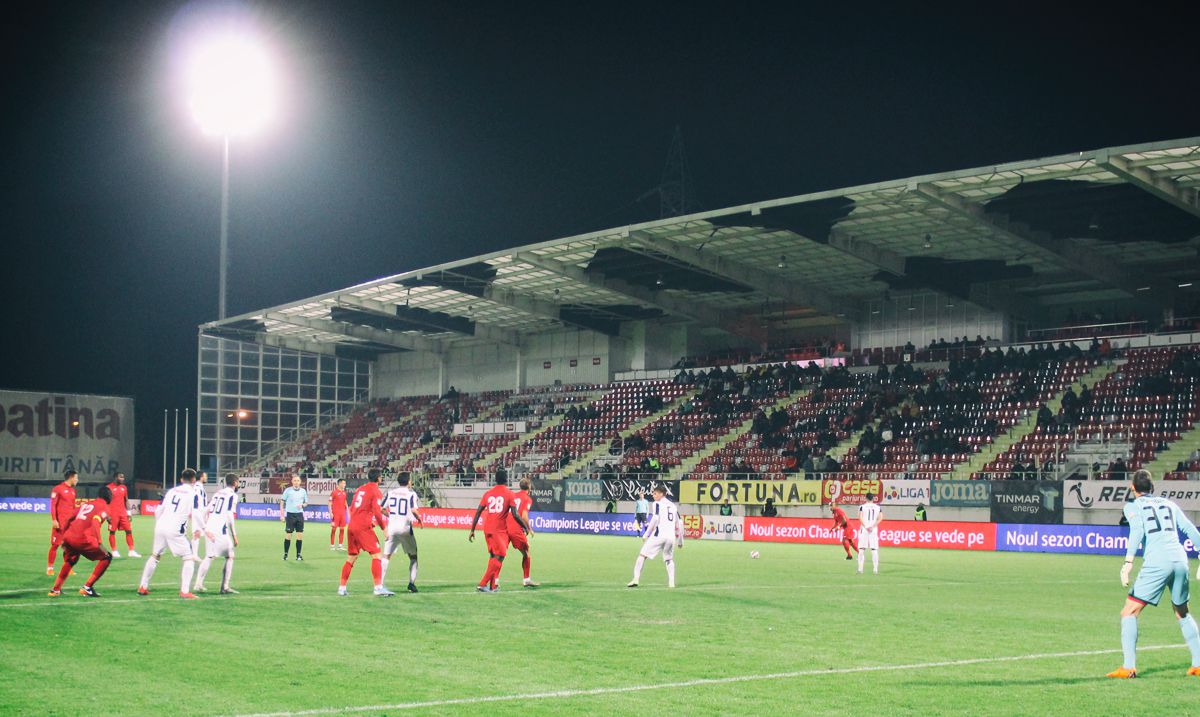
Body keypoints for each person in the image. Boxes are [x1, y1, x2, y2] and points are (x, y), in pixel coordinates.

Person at [1107, 470, 1200, 679]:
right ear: (1153, 488)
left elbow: (1138, 530)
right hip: (1180, 560)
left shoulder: (1132, 506)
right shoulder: (1170, 504)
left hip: (1158, 562)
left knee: (1129, 612)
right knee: (1182, 612)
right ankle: (1198, 664)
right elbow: (1190, 530)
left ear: (1132, 488)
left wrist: (1128, 561)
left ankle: (1128, 668)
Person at [138, 468, 212, 599]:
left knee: (155, 556)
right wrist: (205, 529)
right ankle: (185, 591)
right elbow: (196, 513)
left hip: (161, 525)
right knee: (189, 557)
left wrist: (159, 524)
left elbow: (158, 510)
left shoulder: (171, 491)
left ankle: (143, 586)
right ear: (194, 480)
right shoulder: (194, 493)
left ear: (181, 479)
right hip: (175, 529)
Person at [468, 472, 530, 593]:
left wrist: (472, 530)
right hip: (499, 530)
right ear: (506, 479)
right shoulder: (509, 493)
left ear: (495, 480)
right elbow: (515, 514)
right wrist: (524, 526)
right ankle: (482, 584)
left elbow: (478, 511)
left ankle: (493, 586)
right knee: (500, 556)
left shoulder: (488, 493)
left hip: (487, 529)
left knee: (493, 556)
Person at [48, 485, 114, 597]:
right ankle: (87, 587)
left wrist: (64, 537)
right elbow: (95, 522)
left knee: (71, 560)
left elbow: (69, 518)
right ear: (108, 496)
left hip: (70, 536)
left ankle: (55, 589)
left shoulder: (87, 504)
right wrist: (99, 542)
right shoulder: (104, 507)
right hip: (83, 539)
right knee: (107, 557)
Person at [338, 468, 392, 596]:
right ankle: (378, 588)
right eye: (381, 477)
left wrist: (365, 521)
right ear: (378, 478)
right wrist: (384, 529)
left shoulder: (360, 489)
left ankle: (342, 588)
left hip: (352, 526)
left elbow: (355, 507)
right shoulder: (375, 491)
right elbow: (378, 513)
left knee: (351, 558)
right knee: (377, 555)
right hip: (362, 527)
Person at [627, 485, 683, 588]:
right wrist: (680, 541)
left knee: (642, 555)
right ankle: (671, 583)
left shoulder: (657, 503)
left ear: (662, 494)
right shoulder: (673, 506)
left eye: (655, 493)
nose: (653, 495)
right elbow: (680, 523)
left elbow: (655, 518)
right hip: (671, 538)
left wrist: (646, 534)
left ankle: (635, 579)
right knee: (669, 559)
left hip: (659, 535)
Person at [193, 474, 240, 595]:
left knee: (209, 556)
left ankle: (198, 584)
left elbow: (207, 509)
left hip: (210, 528)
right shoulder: (233, 496)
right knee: (230, 556)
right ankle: (225, 586)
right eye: (238, 482)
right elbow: (229, 515)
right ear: (235, 483)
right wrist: (234, 534)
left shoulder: (218, 493)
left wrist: (201, 527)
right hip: (220, 530)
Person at [381, 473, 423, 594]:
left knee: (386, 556)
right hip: (405, 529)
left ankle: (380, 584)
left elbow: (381, 508)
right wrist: (419, 519)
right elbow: (414, 510)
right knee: (413, 557)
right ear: (408, 482)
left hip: (392, 528)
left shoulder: (391, 493)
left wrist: (391, 516)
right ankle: (411, 584)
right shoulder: (411, 494)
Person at [506, 477, 539, 588]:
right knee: (526, 552)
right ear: (529, 487)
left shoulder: (513, 495)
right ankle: (526, 579)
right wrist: (529, 528)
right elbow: (524, 515)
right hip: (516, 528)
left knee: (499, 555)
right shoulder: (527, 498)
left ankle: (494, 580)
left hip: (505, 527)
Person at [48, 470, 79, 575]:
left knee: (69, 547)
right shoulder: (58, 489)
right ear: (71, 477)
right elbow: (53, 505)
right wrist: (54, 520)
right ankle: (50, 568)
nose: (77, 480)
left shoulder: (73, 491)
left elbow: (73, 507)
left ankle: (67, 567)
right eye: (76, 478)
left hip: (70, 525)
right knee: (55, 545)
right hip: (60, 524)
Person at [105, 472, 140, 559]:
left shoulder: (123, 487)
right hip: (112, 514)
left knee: (129, 530)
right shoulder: (108, 488)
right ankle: (114, 551)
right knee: (112, 532)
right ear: (116, 477)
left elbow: (126, 500)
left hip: (123, 513)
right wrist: (107, 515)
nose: (123, 479)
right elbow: (105, 502)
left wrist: (129, 513)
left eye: (123, 477)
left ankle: (131, 551)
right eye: (121, 477)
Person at [280, 474, 308, 561]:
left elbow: (306, 503)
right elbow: (281, 503)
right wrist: (282, 515)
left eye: (298, 481)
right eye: (295, 480)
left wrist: (302, 505)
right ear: (292, 482)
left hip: (299, 515)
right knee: (288, 535)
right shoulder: (287, 491)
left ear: (300, 482)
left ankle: (298, 555)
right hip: (290, 515)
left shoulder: (303, 491)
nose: (296, 482)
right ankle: (285, 554)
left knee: (299, 535)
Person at [857, 493, 882, 575]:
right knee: (874, 549)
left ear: (866, 498)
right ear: (873, 499)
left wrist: (866, 526)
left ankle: (860, 569)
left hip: (864, 529)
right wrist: (873, 526)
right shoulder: (878, 507)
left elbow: (860, 517)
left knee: (861, 549)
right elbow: (880, 518)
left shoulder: (862, 507)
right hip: (873, 530)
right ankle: (875, 569)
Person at [329, 478, 348, 551]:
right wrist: (330, 512)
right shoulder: (334, 492)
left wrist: (347, 511)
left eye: (345, 483)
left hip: (343, 514)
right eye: (343, 483)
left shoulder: (344, 493)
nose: (344, 485)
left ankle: (340, 545)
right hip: (336, 514)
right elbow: (330, 503)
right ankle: (332, 545)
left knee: (342, 529)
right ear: (339, 483)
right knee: (334, 529)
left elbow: (345, 501)